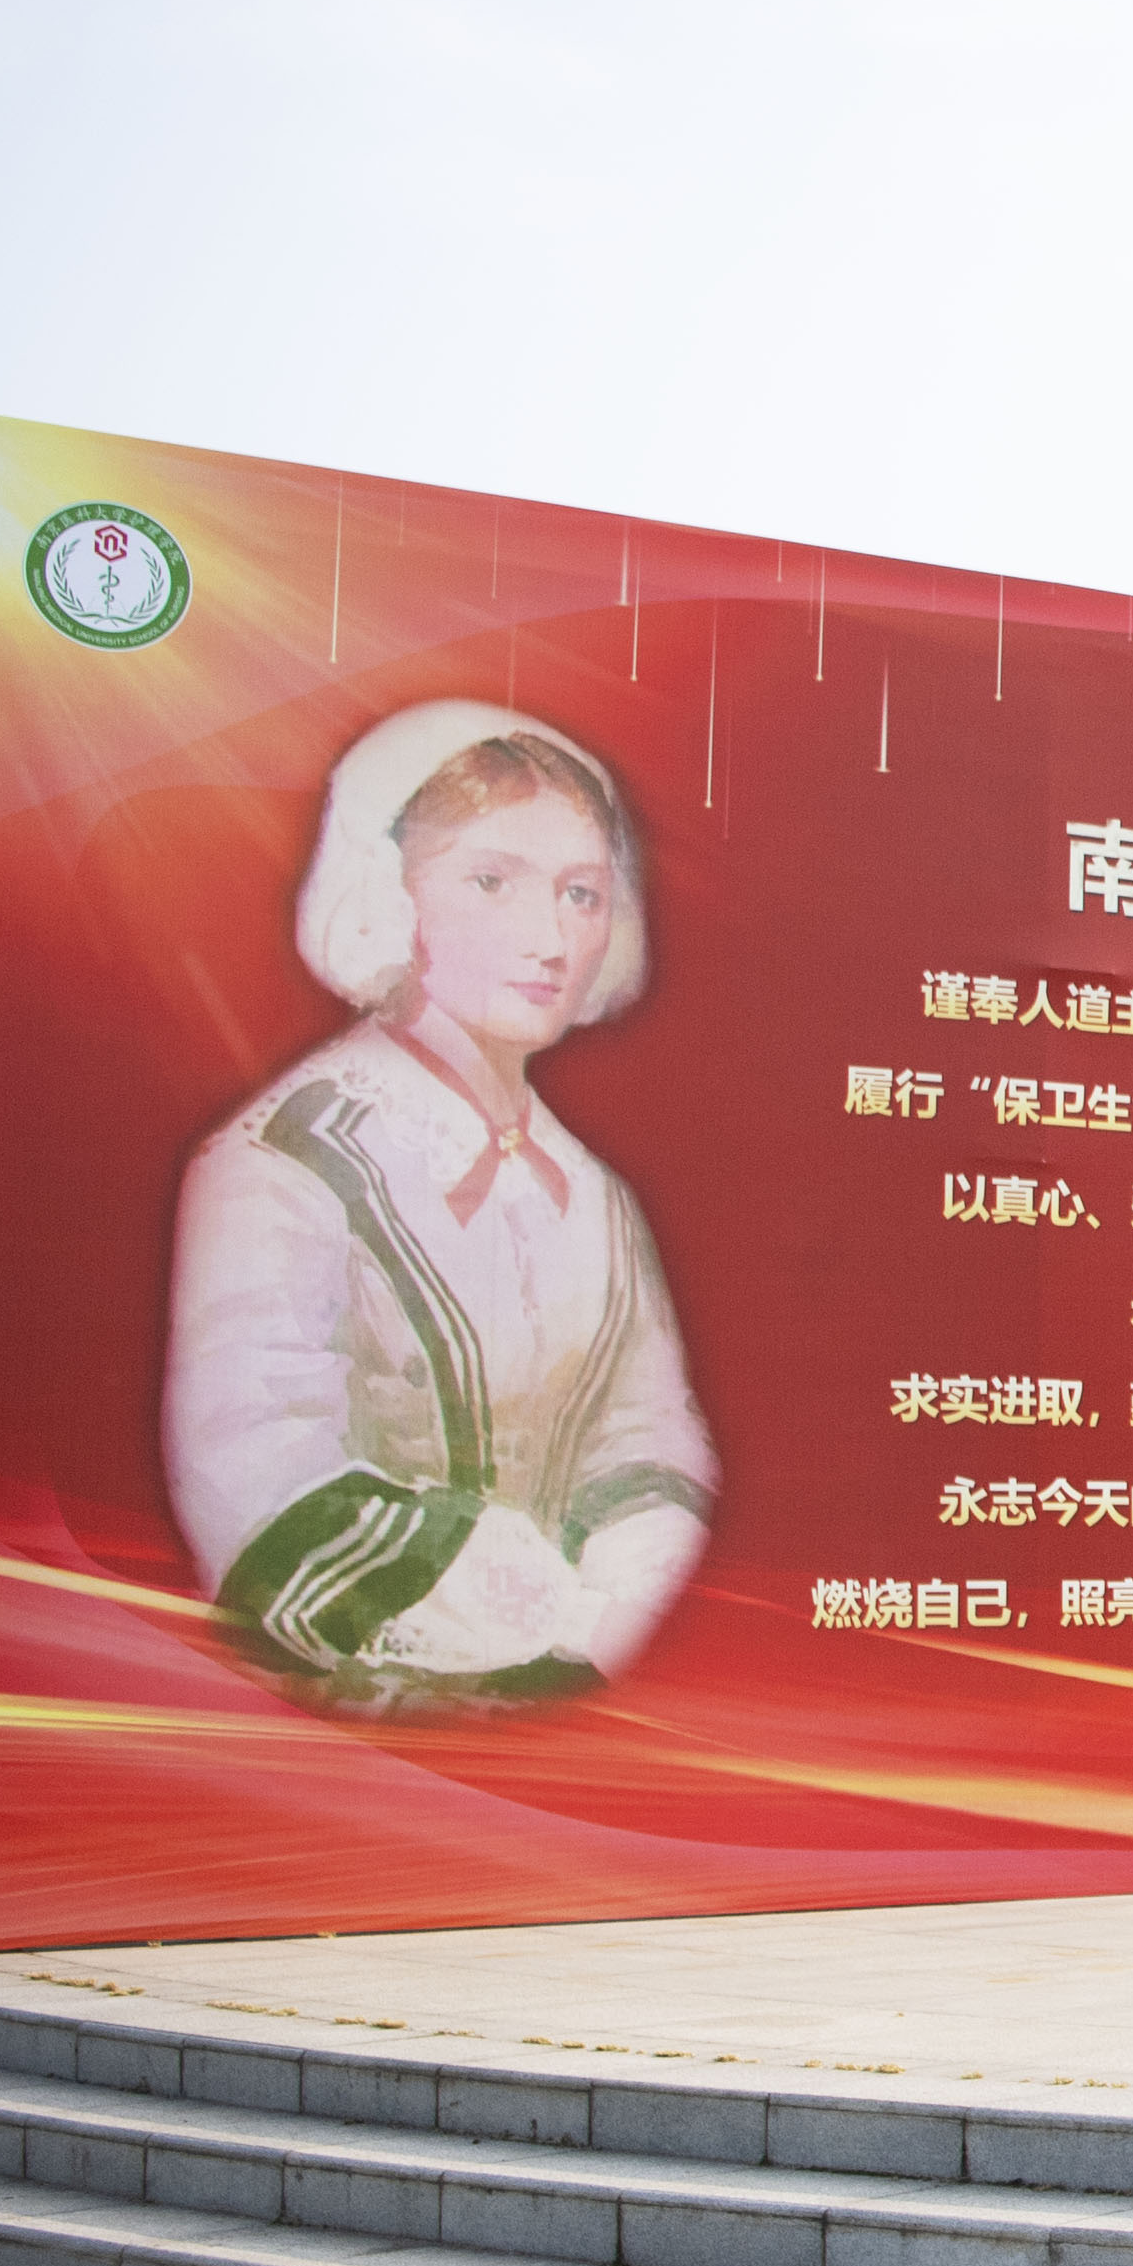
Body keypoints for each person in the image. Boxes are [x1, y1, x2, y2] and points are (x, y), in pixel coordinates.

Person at [165, 702, 716, 1718]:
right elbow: (257, 1475)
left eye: (582, 893)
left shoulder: (597, 1197)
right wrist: (547, 1619)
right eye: (492, 881)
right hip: (328, 1741)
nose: (551, 939)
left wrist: (607, 1628)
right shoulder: (287, 1160)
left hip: (569, 1725)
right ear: (388, 896)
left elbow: (648, 1444)